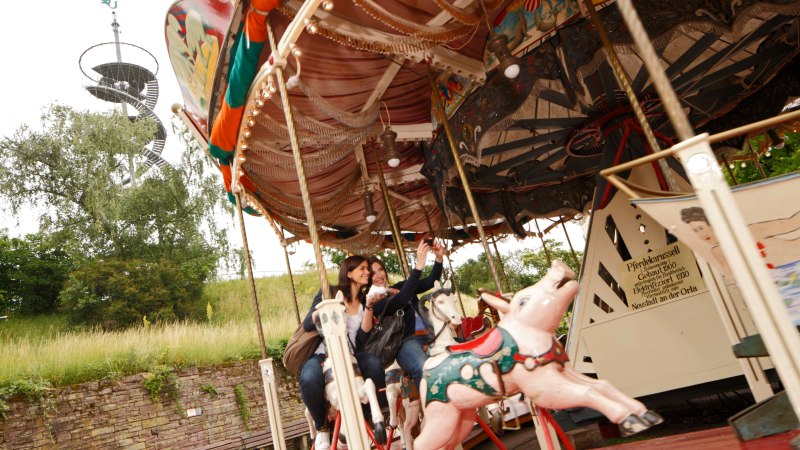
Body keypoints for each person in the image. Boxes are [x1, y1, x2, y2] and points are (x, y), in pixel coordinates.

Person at [299, 255, 386, 450]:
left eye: (367, 269)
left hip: (350, 354)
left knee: (373, 363)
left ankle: (368, 416)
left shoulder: (363, 300)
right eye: (362, 268)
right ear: (349, 272)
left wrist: (370, 307)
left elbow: (362, 338)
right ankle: (321, 426)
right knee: (309, 378)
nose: (367, 272)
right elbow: (307, 324)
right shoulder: (328, 292)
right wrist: (328, 309)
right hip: (324, 353)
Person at [368, 238, 445, 391]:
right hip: (406, 342)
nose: (378, 275)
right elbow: (401, 299)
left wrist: (438, 258)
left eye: (380, 270)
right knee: (423, 367)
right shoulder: (375, 301)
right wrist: (419, 265)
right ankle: (430, 405)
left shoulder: (402, 286)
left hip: (430, 334)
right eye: (373, 273)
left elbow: (430, 281)